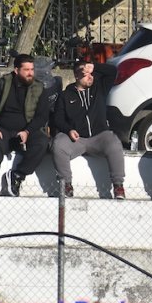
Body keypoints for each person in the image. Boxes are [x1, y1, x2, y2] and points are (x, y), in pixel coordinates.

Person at [0, 53, 52, 197]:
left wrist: (27, 131)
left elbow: (42, 116)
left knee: (42, 142)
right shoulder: (1, 84)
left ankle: (17, 175)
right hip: (2, 129)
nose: (30, 73)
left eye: (32, 69)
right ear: (16, 70)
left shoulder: (39, 88)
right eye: (26, 70)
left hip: (27, 130)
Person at [51, 60, 126, 199]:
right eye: (86, 74)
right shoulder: (65, 95)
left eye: (91, 74)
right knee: (58, 144)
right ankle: (66, 185)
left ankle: (118, 186)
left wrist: (94, 66)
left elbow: (113, 72)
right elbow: (58, 119)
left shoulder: (99, 88)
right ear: (76, 76)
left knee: (114, 142)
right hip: (77, 138)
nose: (90, 77)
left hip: (99, 136)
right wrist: (69, 130)